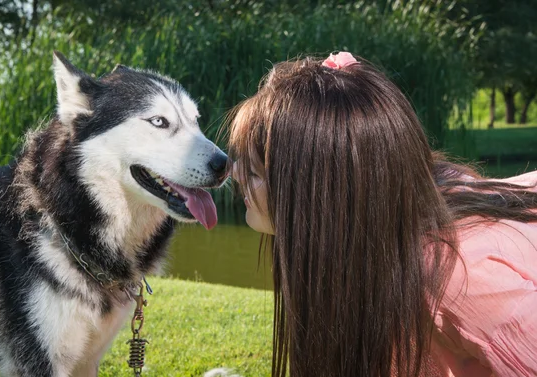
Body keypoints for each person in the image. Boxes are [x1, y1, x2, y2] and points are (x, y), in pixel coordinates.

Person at [227, 52, 537, 377]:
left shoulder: (456, 277)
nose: (234, 173)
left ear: (323, 189)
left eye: (255, 171)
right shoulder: (386, 219)